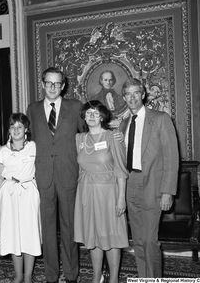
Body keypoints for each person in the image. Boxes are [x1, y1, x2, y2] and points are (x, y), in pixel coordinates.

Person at [26, 67, 84, 283]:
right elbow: (25, 139)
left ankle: (71, 275)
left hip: (68, 174)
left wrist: (111, 134)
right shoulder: (32, 109)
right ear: (42, 84)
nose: (52, 87)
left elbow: (88, 134)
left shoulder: (75, 107)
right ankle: (51, 275)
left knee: (69, 227)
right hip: (43, 176)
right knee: (47, 230)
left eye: (57, 84)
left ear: (63, 85)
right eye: (49, 83)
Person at [119, 78, 179, 277]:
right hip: (130, 184)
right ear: (124, 98)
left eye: (136, 93)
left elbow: (172, 157)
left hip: (153, 186)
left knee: (149, 240)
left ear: (143, 94)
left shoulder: (161, 118)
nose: (132, 98)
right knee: (137, 240)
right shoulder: (124, 123)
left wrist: (167, 192)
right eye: (128, 94)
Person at [74, 100, 129, 283]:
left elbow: (121, 170)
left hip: (108, 193)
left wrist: (121, 198)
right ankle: (96, 277)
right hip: (86, 193)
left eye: (96, 113)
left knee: (111, 236)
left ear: (103, 116)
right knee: (93, 235)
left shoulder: (113, 137)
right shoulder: (79, 139)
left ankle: (113, 278)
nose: (91, 116)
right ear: (84, 116)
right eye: (88, 112)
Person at [0, 113, 41, 283]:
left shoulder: (34, 147)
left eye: (19, 127)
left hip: (29, 192)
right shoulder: (2, 151)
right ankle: (18, 275)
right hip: (9, 194)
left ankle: (28, 275)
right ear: (8, 130)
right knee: (13, 234)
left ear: (26, 130)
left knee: (29, 234)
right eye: (13, 127)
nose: (16, 130)